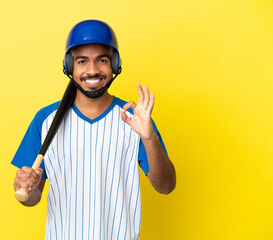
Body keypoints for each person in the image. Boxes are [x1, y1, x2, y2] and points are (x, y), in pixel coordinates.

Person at [11, 20, 176, 239]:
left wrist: (149, 137)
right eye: (82, 61)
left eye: (102, 60)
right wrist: (26, 188)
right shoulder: (45, 119)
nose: (92, 70)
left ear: (114, 65)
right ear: (70, 66)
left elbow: (166, 186)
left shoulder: (135, 118)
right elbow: (32, 198)